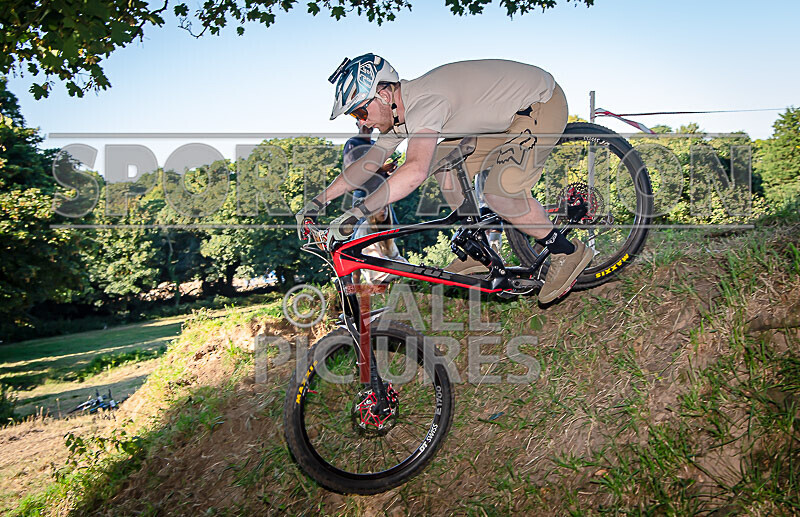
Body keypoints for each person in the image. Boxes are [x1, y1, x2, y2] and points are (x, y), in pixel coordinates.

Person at [297, 54, 593, 303]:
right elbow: (367, 164)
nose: (361, 121)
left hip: (538, 104)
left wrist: (356, 214)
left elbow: (414, 171)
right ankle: (479, 250)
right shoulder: (402, 113)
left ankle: (566, 251)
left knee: (499, 195)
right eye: (354, 117)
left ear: (384, 95)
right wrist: (317, 202)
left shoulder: (426, 103)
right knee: (444, 161)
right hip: (502, 121)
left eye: (360, 110)